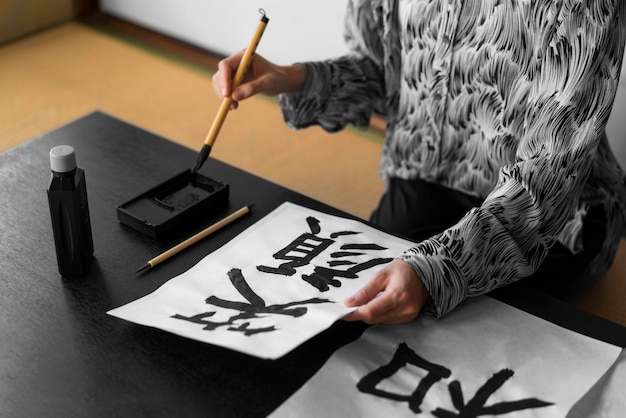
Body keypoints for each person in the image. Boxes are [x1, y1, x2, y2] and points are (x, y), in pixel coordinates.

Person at [212, 0, 626, 324]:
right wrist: (291, 77)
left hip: (555, 220)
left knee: (474, 337)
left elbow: (551, 171)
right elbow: (385, 72)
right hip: (424, 179)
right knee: (357, 310)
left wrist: (438, 271)